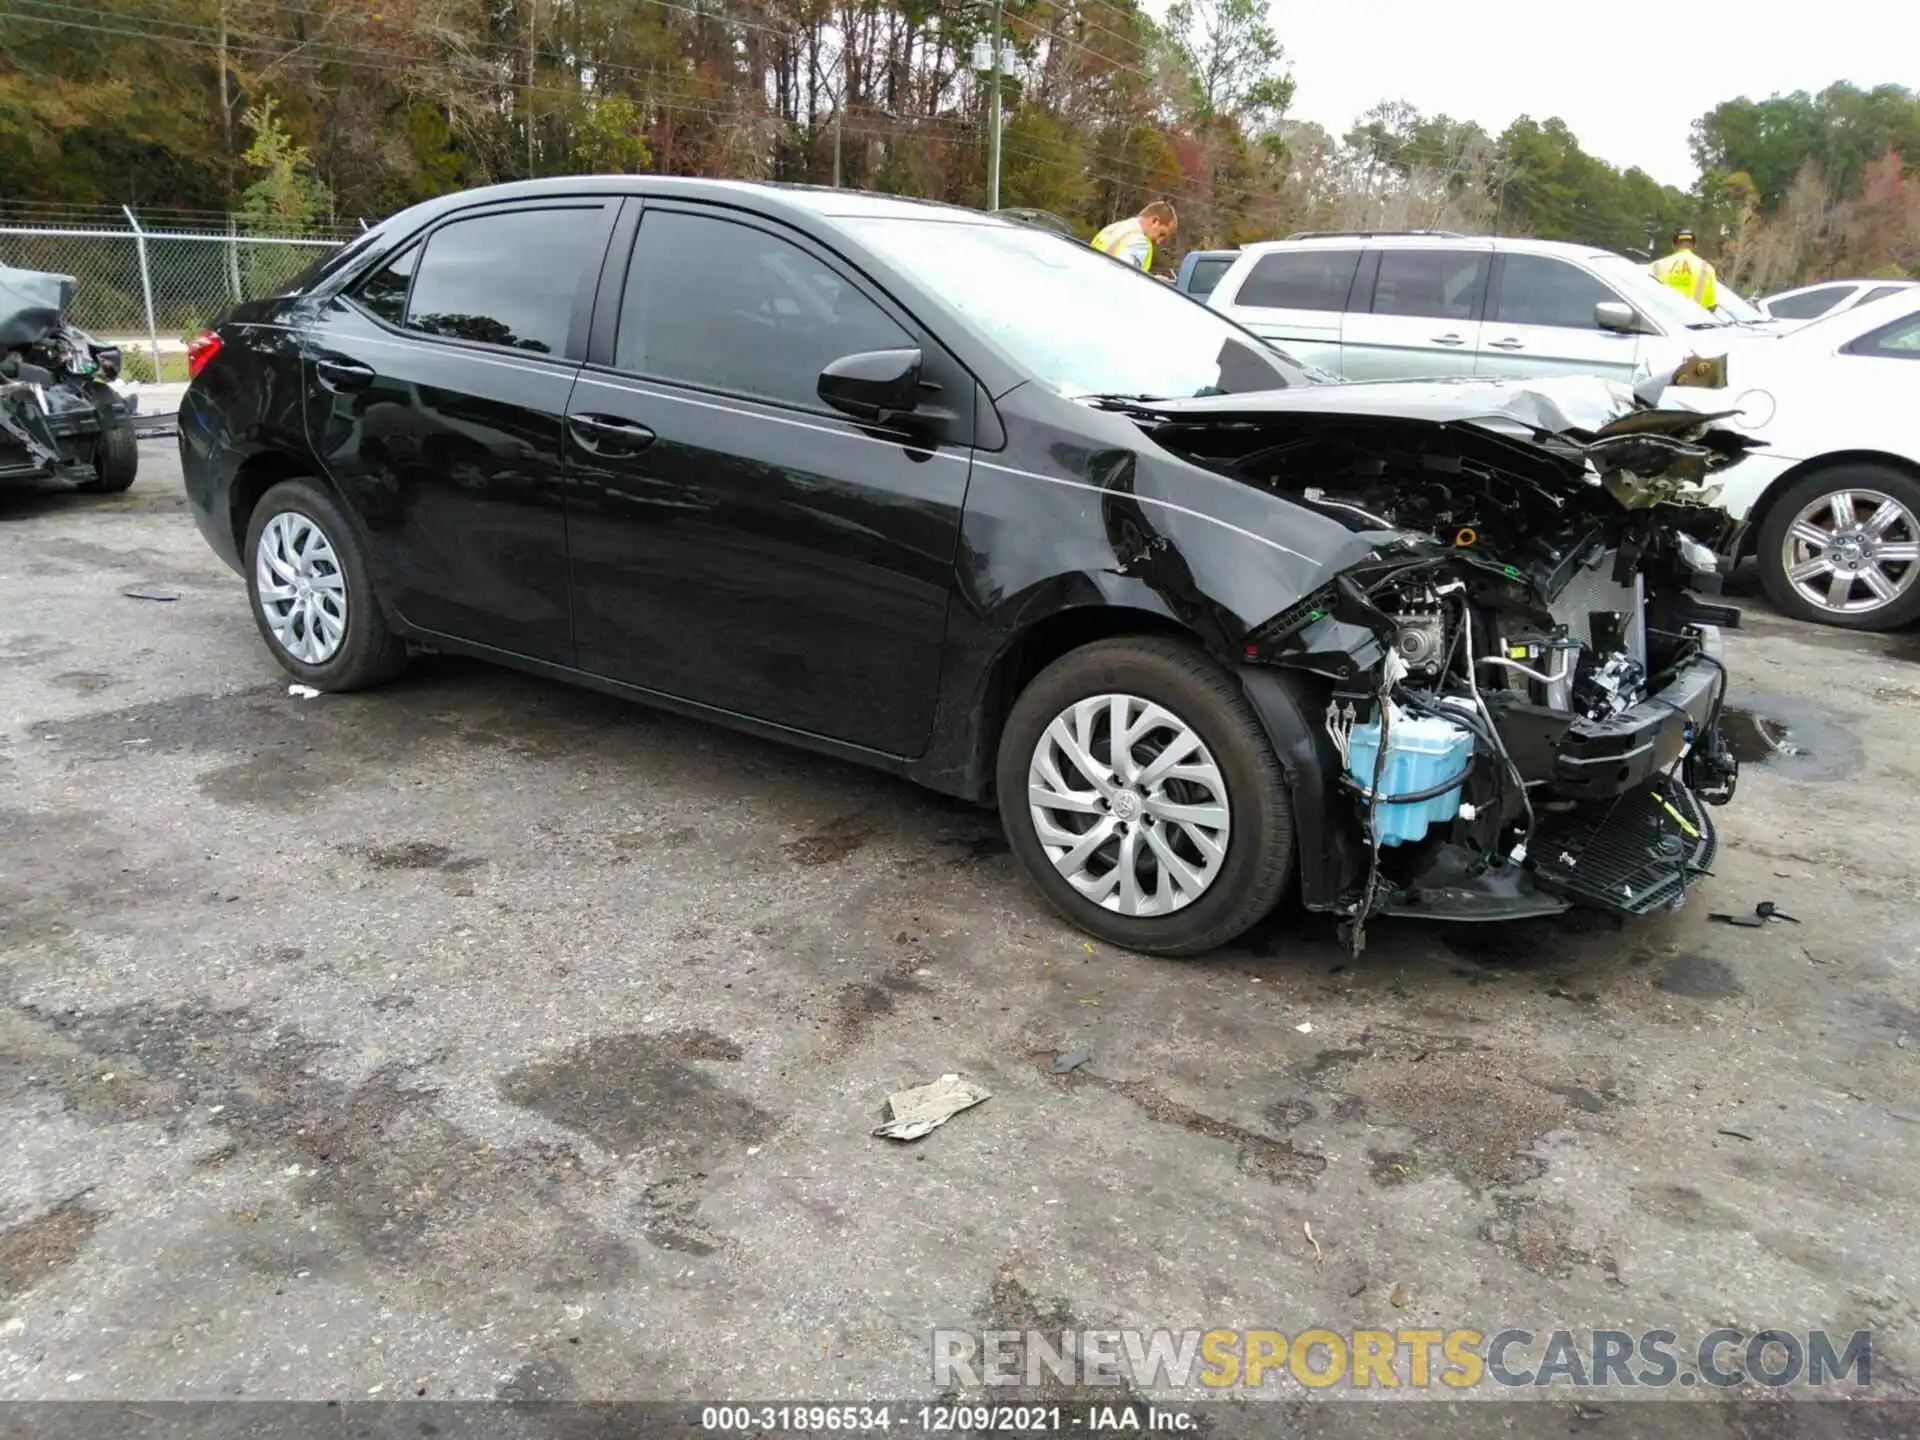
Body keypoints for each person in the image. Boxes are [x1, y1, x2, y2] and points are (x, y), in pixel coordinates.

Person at [1091, 201, 1178, 274]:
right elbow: (1125, 278)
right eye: (1161, 234)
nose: (1158, 241)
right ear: (1154, 221)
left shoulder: (1112, 228)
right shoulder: (1139, 243)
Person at [1650, 227, 1718, 309]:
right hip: (1694, 320)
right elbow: (1712, 306)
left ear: (1673, 245)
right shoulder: (1706, 268)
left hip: (1662, 319)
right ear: (1695, 246)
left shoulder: (1656, 265)